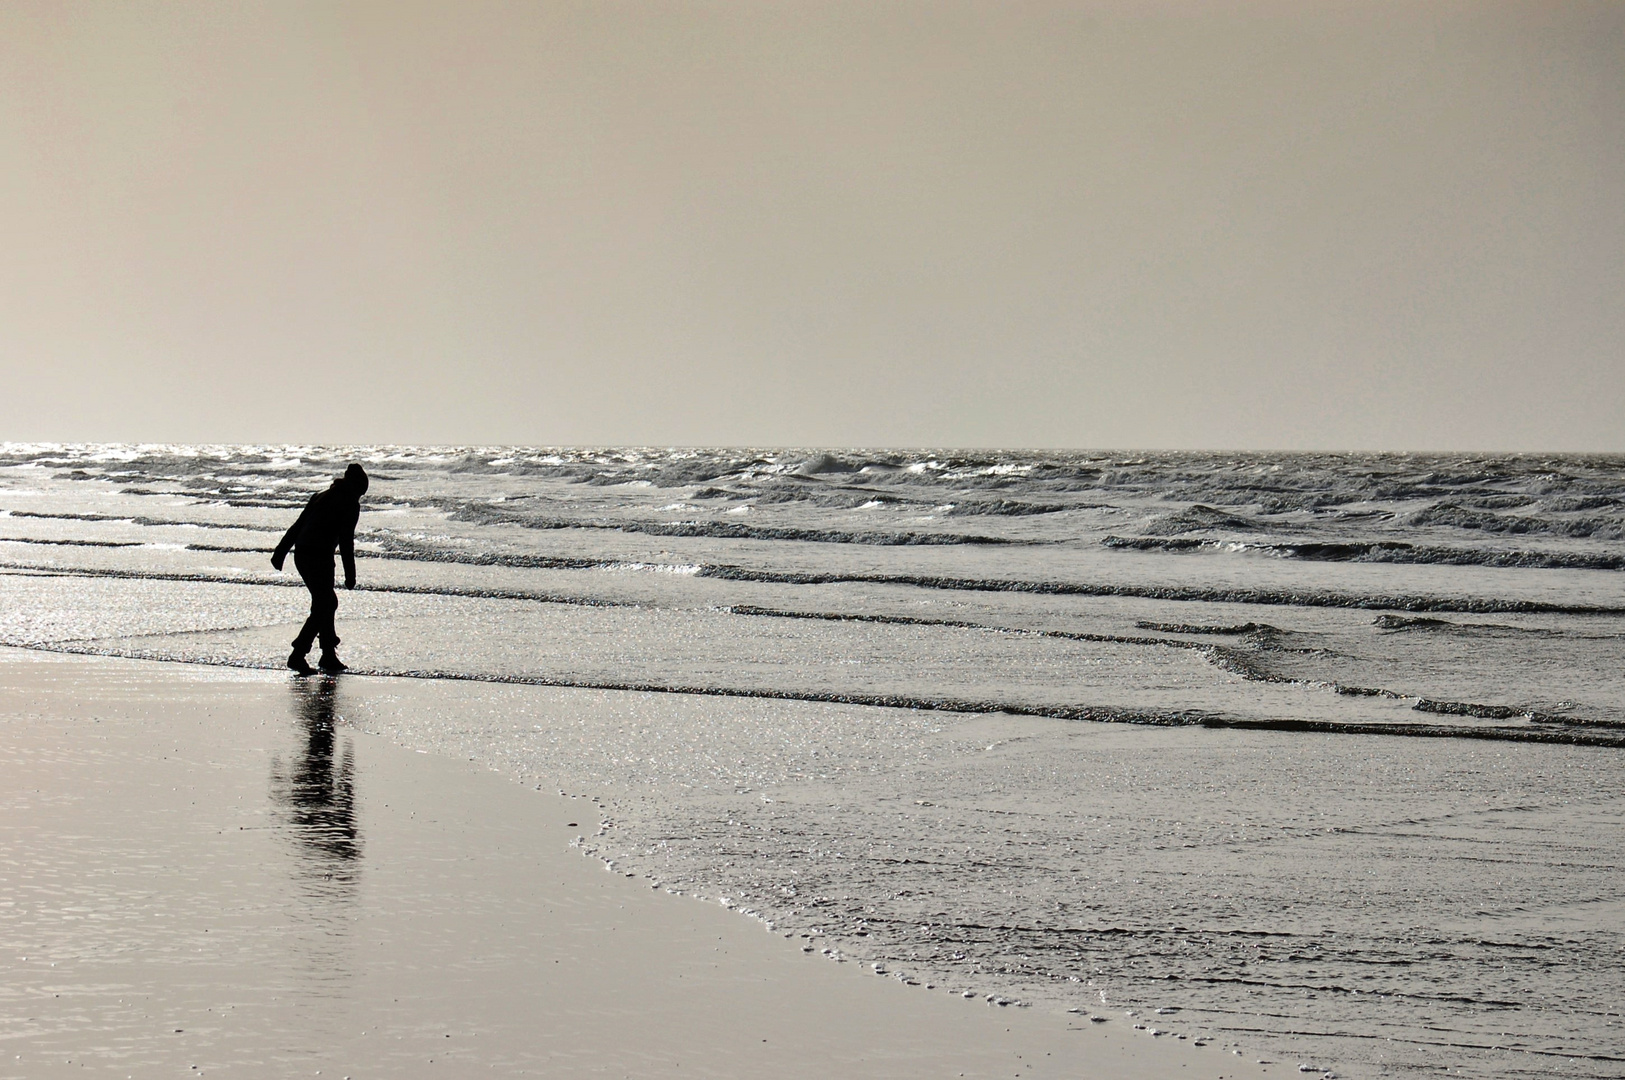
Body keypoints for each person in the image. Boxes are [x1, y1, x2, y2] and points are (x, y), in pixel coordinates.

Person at [272, 463, 368, 674]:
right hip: (317, 557)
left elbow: (298, 526)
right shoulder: (349, 503)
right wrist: (350, 574)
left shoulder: (320, 496)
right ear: (356, 488)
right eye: (360, 493)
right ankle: (299, 653)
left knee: (324, 603)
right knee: (326, 603)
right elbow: (346, 542)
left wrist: (281, 551)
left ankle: (328, 655)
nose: (359, 498)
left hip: (305, 554)